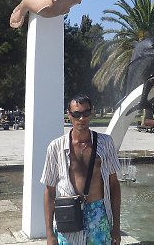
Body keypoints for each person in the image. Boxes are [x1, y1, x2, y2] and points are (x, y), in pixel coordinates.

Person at [42, 95, 122, 245]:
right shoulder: (56, 147)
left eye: (86, 113)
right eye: (76, 114)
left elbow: (114, 185)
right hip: (69, 216)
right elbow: (49, 190)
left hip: (98, 215)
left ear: (91, 113)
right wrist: (49, 233)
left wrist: (116, 227)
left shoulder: (105, 143)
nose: (81, 118)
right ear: (69, 114)